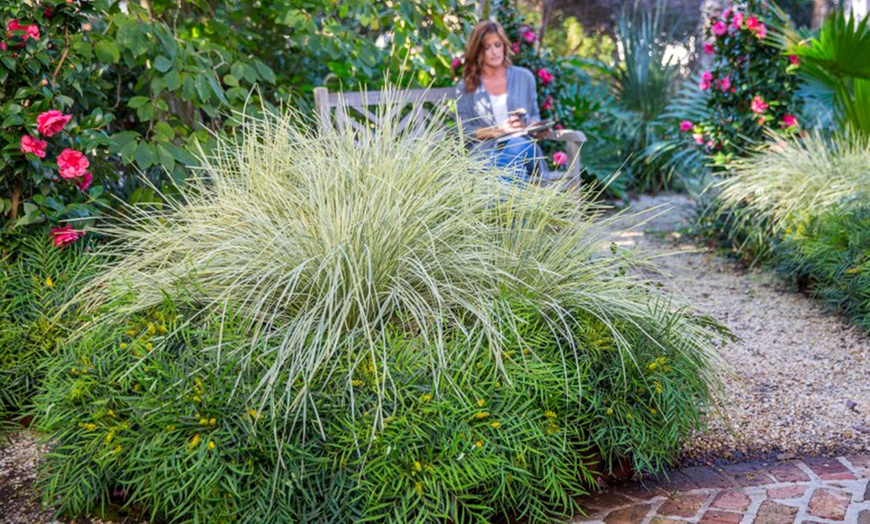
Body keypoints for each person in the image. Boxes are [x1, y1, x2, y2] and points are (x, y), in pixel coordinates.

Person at [455, 20, 549, 182]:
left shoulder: (524, 77)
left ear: (504, 46)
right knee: (503, 166)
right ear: (477, 51)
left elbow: (534, 114)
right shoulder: (467, 87)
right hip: (485, 154)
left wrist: (533, 126)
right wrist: (499, 130)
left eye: (497, 45)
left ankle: (495, 202)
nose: (494, 52)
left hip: (523, 148)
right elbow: (463, 131)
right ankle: (508, 206)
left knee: (515, 145)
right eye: (487, 47)